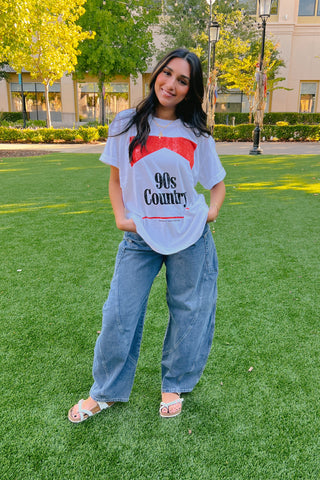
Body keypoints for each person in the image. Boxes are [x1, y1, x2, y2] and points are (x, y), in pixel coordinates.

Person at [68, 48, 226, 423]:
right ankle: (105, 391)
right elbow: (115, 179)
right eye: (167, 73)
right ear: (156, 73)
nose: (170, 84)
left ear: (191, 89)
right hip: (141, 237)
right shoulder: (126, 123)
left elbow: (216, 183)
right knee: (119, 312)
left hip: (189, 236)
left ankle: (174, 383)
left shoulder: (195, 132)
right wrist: (122, 217)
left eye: (182, 80)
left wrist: (212, 211)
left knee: (189, 311)